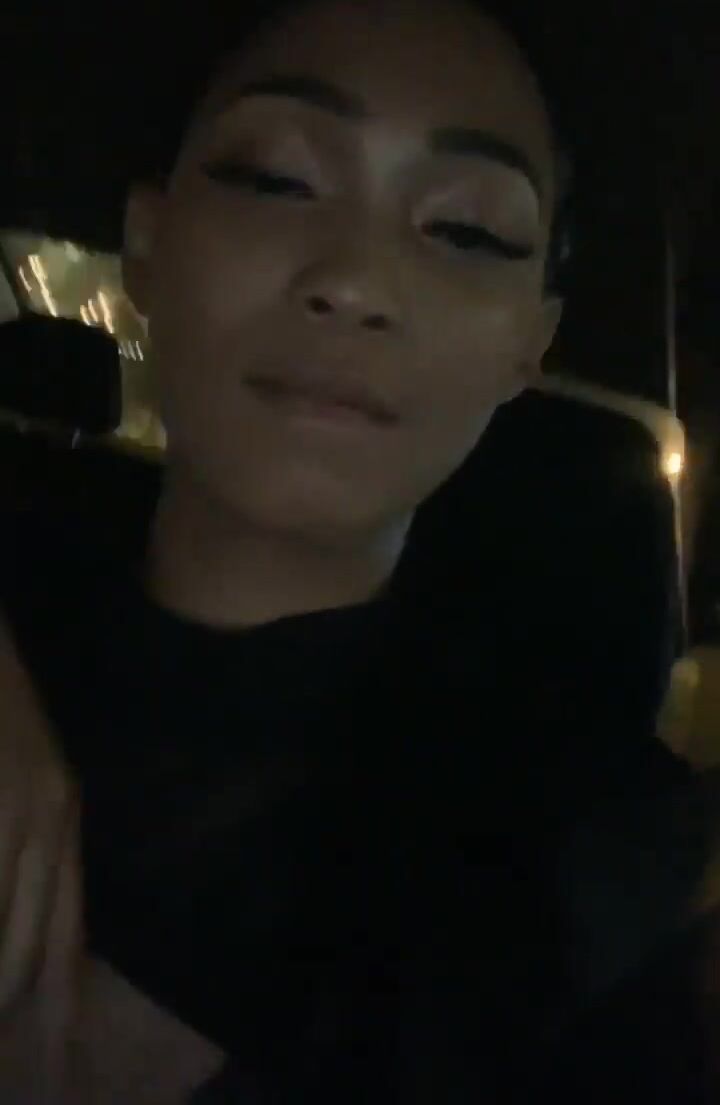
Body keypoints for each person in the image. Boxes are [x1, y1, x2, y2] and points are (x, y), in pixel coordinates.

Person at [1, 1, 718, 1101]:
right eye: (277, 178)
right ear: (147, 242)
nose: (357, 281)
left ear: (529, 345)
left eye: (467, 232)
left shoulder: (584, 871)